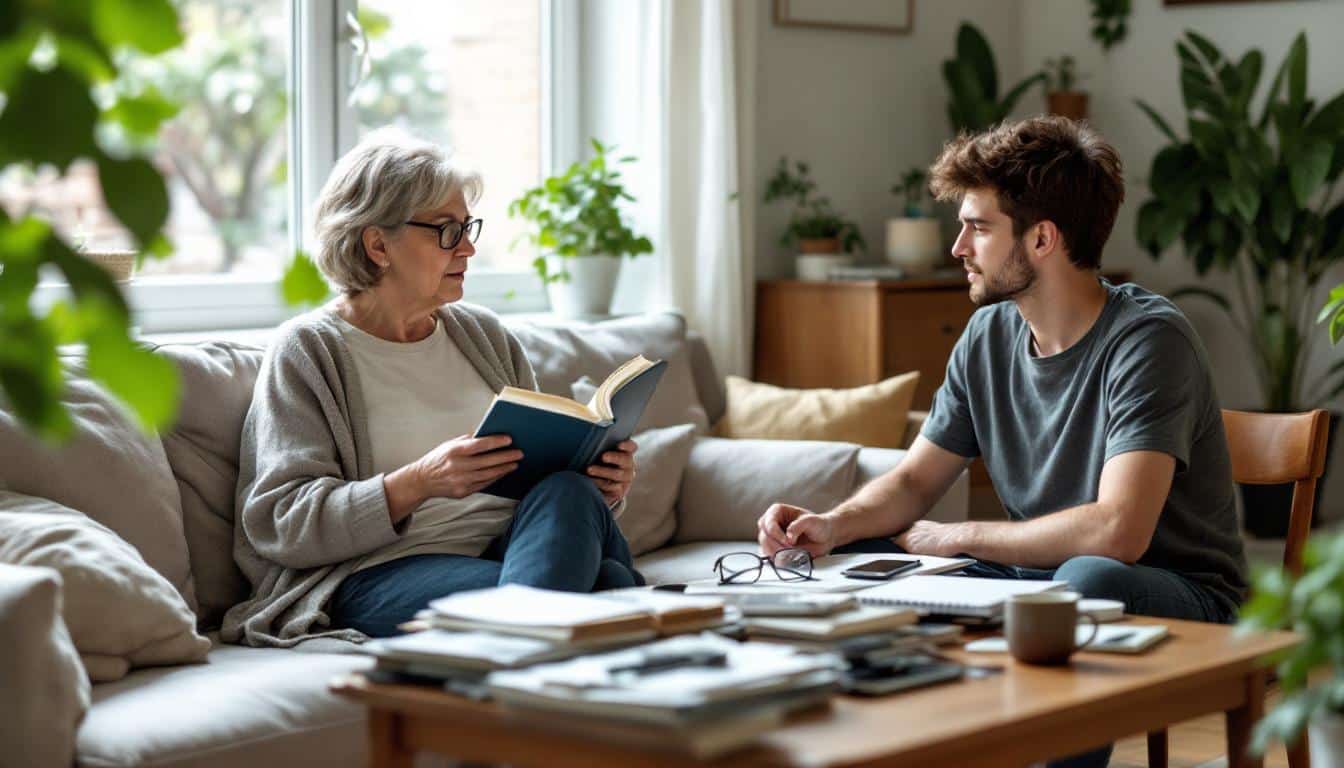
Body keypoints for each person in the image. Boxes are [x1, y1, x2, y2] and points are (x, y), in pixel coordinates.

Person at [755, 116, 1248, 768]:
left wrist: (960, 536)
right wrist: (830, 524)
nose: (958, 246)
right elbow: (912, 483)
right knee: (864, 556)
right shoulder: (987, 336)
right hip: (1041, 581)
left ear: (1042, 238)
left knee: (1086, 580)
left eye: (978, 227)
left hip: (1180, 596)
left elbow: (1117, 534)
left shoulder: (1149, 342)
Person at [222, 129, 642, 646]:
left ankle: (529, 639)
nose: (467, 247)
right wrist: (419, 481)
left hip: (512, 552)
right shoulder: (310, 350)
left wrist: (604, 481)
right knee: (605, 586)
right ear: (378, 244)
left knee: (570, 490)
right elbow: (282, 522)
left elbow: (547, 486)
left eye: (468, 228)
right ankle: (574, 619)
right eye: (446, 231)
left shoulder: (484, 335)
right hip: (380, 572)